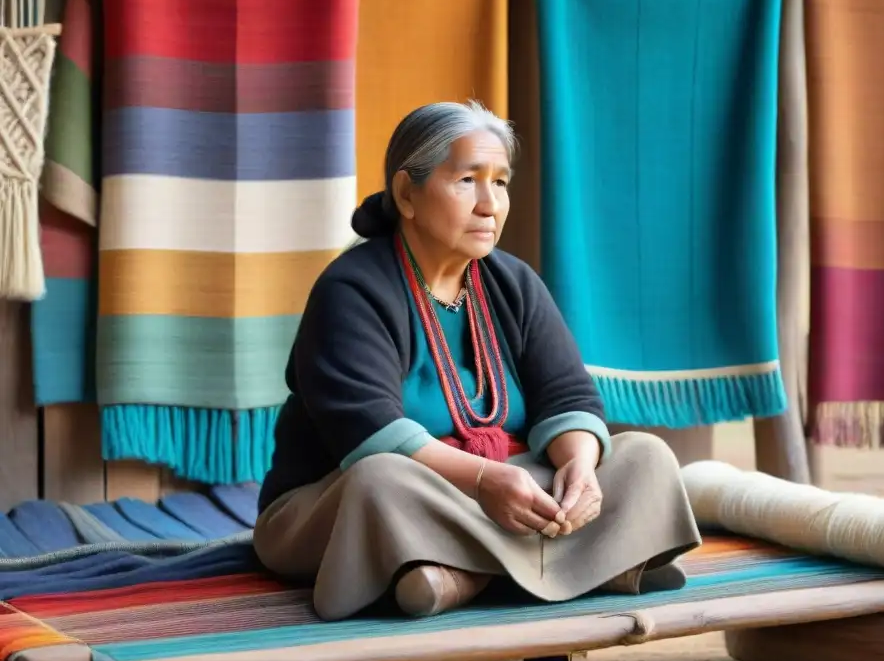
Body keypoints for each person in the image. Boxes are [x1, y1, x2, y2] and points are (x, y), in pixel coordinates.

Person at [254, 101, 702, 623]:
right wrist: (486, 482)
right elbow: (368, 431)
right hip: (345, 502)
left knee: (643, 456)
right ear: (406, 194)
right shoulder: (352, 289)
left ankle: (458, 578)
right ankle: (591, 565)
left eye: (501, 182)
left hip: (500, 493)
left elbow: (569, 397)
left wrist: (579, 468)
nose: (490, 204)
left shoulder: (513, 283)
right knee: (382, 479)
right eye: (468, 180)